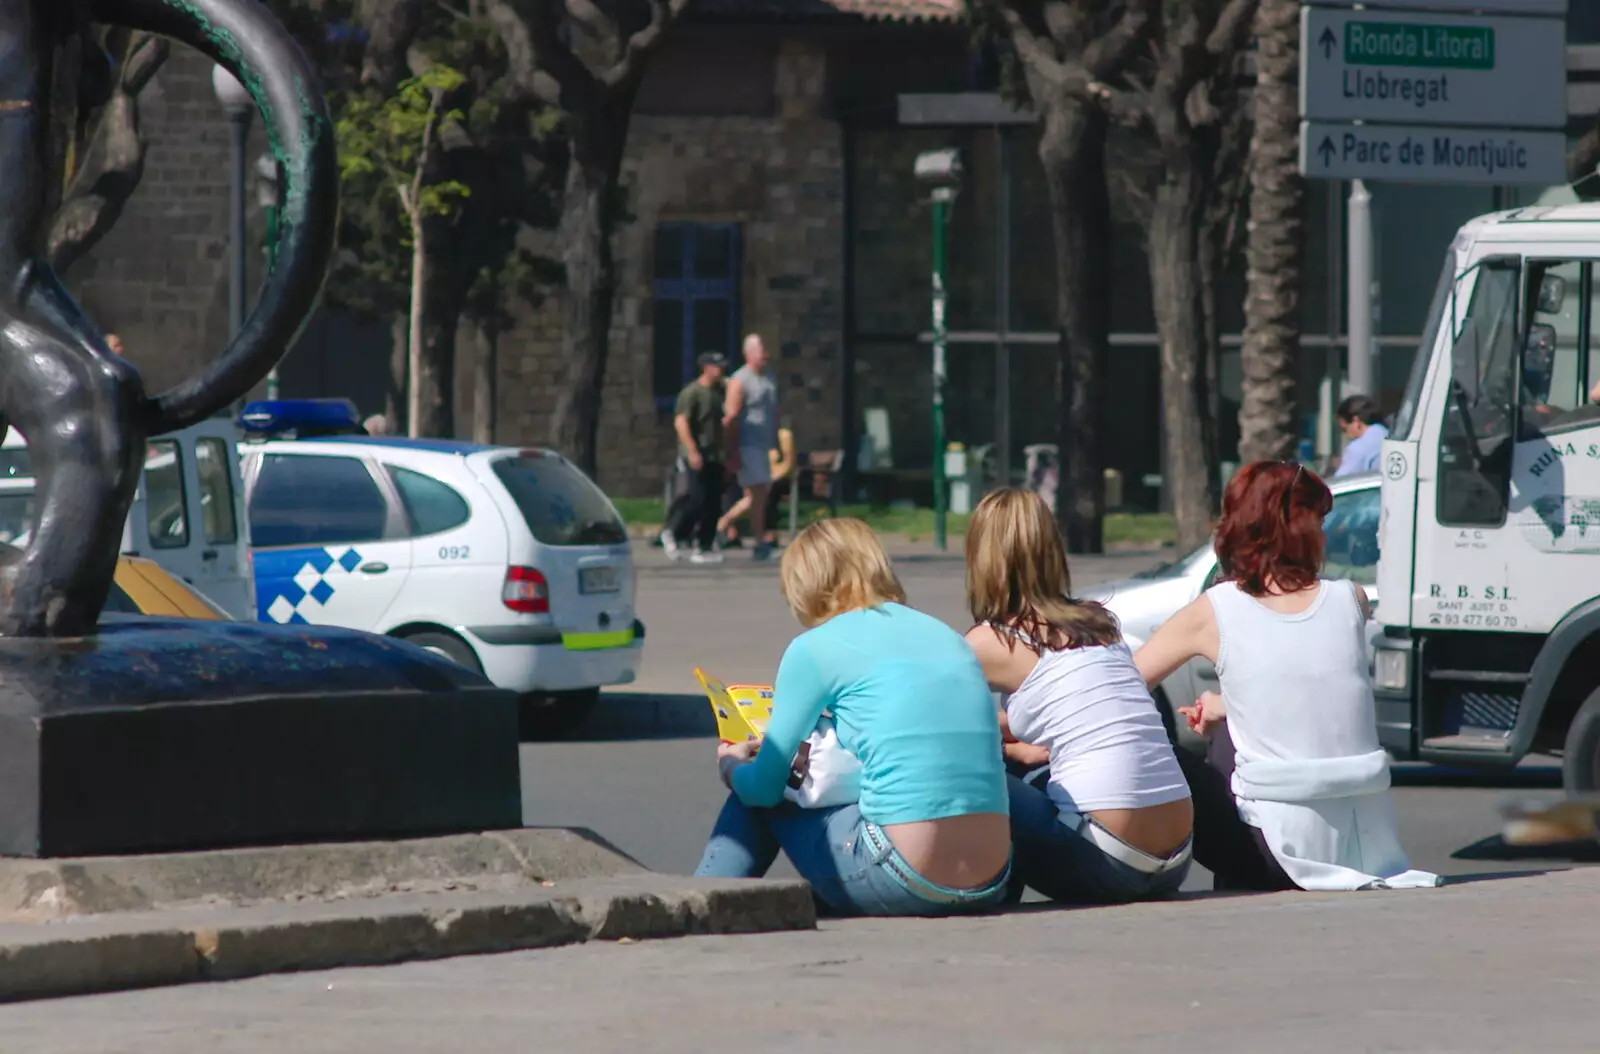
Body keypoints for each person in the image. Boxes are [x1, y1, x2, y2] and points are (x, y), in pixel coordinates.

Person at [1133, 461, 1441, 891]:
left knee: (1167, 756)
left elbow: (1120, 688)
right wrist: (1224, 706)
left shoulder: (1215, 610)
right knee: (1227, 732)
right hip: (1363, 849)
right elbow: (1305, 684)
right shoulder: (1350, 600)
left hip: (1268, 852)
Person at [695, 518, 1012, 916]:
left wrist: (731, 767)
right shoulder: (946, 635)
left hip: (905, 876)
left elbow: (764, 788)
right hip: (993, 878)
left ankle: (700, 902)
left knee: (757, 790)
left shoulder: (814, 647)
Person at [964, 489, 1194, 905]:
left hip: (1106, 862)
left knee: (968, 774)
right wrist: (1018, 745)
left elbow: (938, 727)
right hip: (1175, 861)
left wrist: (1007, 749)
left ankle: (989, 894)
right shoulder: (1101, 622)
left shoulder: (990, 641)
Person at [664, 353, 729, 565]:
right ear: (705, 367)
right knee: (695, 497)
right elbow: (681, 422)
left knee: (713, 502)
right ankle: (672, 532)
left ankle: (704, 546)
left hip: (714, 454)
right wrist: (692, 450)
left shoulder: (720, 392)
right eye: (716, 366)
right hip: (696, 453)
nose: (720, 370)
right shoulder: (692, 392)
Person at [719, 334, 779, 561]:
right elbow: (731, 416)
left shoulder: (769, 377)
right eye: (761, 350)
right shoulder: (739, 380)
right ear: (749, 353)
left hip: (764, 444)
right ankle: (759, 540)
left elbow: (774, 410)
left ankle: (723, 523)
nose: (766, 355)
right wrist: (731, 450)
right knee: (759, 492)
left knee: (758, 494)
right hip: (747, 443)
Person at [759, 423, 797, 548]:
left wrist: (774, 477)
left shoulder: (784, 436)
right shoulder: (760, 437)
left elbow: (789, 463)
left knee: (769, 494)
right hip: (763, 477)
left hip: (782, 477)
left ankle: (770, 533)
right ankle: (730, 529)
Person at [1332, 394, 1388, 477]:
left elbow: (1339, 483)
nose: (1346, 435)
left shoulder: (1358, 448)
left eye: (1345, 429)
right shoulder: (1389, 436)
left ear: (1356, 421)